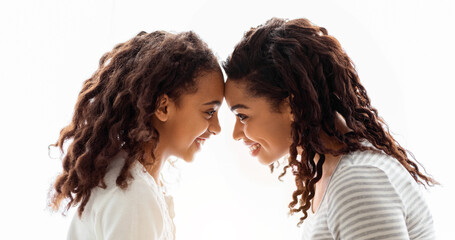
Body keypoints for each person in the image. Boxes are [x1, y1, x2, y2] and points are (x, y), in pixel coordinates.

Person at [223, 18, 436, 239]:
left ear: (292, 105)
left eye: (242, 116)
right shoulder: (338, 173)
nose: (236, 133)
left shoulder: (357, 180)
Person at [49, 30, 224, 240]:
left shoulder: (131, 180)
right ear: (163, 108)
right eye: (209, 112)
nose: (217, 127)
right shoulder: (133, 194)